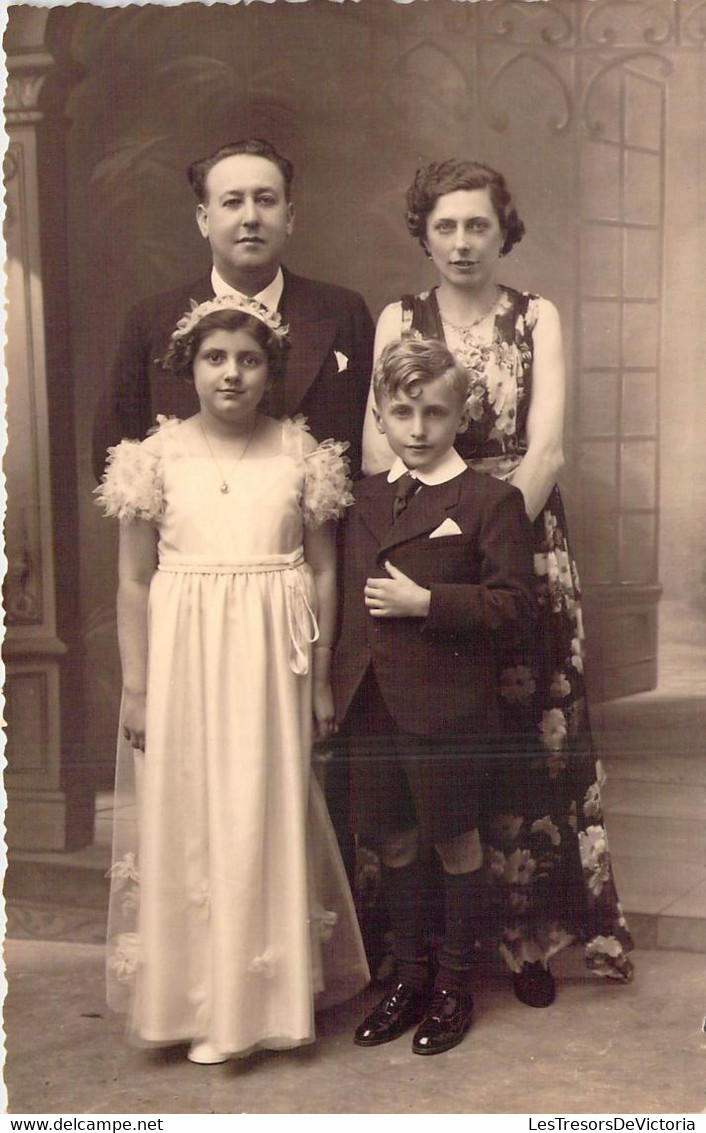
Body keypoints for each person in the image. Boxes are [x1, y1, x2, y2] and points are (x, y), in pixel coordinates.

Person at [361, 159, 634, 1006]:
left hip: (516, 534)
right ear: (424, 232)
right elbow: (378, 445)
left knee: (530, 730)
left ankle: (530, 938)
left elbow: (545, 447)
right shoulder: (398, 317)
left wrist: (486, 534)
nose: (461, 242)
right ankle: (432, 949)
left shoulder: (535, 316)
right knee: (437, 732)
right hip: (422, 546)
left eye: (477, 224)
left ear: (502, 229)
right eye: (445, 225)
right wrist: (434, 544)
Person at [95, 293, 369, 1062]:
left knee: (260, 807)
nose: (232, 373)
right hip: (183, 655)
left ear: (269, 371)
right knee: (190, 812)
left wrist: (316, 681)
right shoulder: (151, 460)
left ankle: (259, 1004)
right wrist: (140, 689)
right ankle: (191, 1000)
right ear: (189, 367)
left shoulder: (301, 455)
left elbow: (322, 574)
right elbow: (133, 583)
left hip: (269, 654)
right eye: (215, 358)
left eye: (248, 360)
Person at [333, 337, 537, 1055]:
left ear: (462, 416)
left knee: (454, 841)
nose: (417, 428)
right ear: (381, 417)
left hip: (446, 705)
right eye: (402, 412)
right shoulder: (358, 497)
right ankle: (408, 977)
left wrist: (428, 601)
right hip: (371, 702)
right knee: (391, 841)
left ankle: (453, 986)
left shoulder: (489, 499)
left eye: (434, 412)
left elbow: (515, 606)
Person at [91, 137, 374, 479]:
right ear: (203, 220)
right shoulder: (152, 321)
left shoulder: (343, 312)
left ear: (289, 217)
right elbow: (116, 461)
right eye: (233, 202)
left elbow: (371, 448)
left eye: (266, 200)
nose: (251, 217)